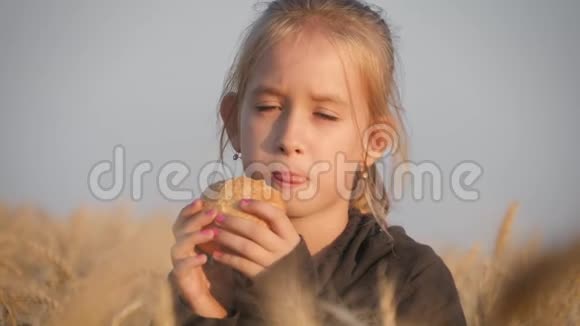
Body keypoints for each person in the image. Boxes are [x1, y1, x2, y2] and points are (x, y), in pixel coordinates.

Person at [167, 1, 467, 325]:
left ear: (373, 142)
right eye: (268, 107)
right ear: (233, 123)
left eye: (324, 114)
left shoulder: (410, 279)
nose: (290, 138)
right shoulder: (207, 271)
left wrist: (288, 302)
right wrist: (204, 310)